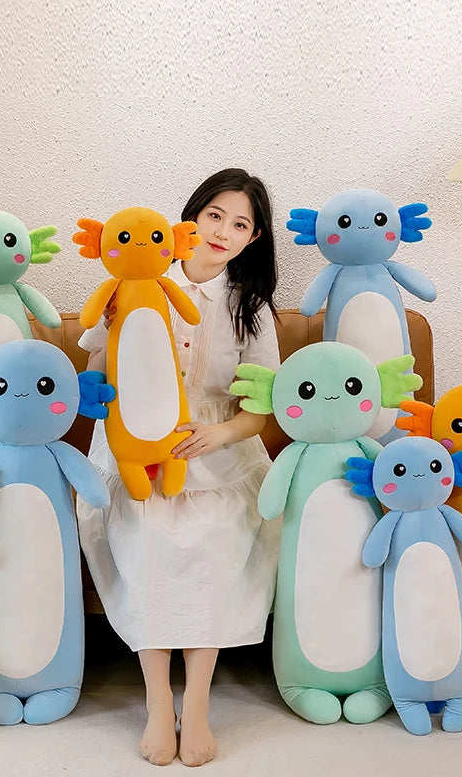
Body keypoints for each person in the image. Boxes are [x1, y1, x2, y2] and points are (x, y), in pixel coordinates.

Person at [76, 168, 280, 767]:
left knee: (215, 545)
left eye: (239, 224)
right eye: (214, 215)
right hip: (137, 447)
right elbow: (93, 372)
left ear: (253, 237)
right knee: (149, 545)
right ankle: (158, 701)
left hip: (218, 452)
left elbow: (262, 408)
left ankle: (197, 704)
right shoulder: (135, 279)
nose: (222, 231)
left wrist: (219, 434)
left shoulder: (250, 309)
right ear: (191, 218)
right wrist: (111, 328)